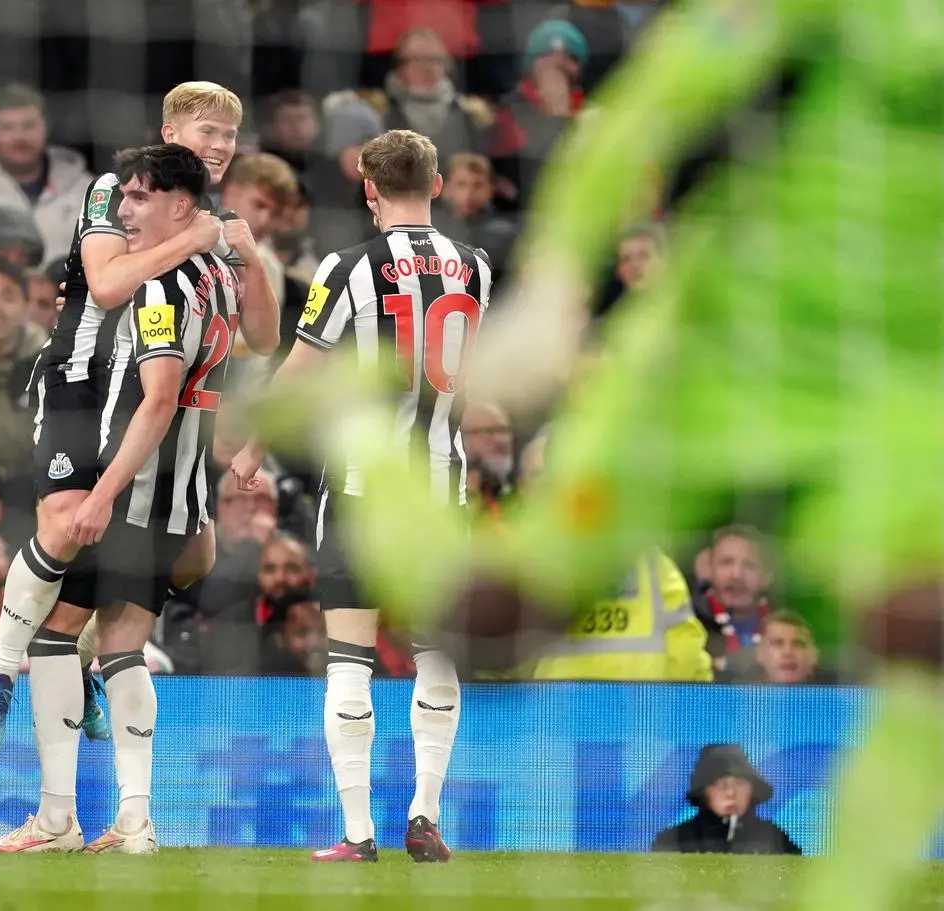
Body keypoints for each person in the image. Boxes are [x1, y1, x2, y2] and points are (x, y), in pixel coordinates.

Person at [327, 1, 944, 906]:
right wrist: (558, 285)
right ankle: (351, 427)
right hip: (699, 364)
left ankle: (850, 894)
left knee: (920, 631)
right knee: (489, 624)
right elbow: (646, 111)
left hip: (880, 400)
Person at [0, 81, 280, 749]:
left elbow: (262, 337)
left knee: (193, 552)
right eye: (208, 131)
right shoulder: (120, 187)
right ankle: (0, 671)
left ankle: (77, 657)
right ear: (172, 133)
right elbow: (109, 284)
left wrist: (245, 254)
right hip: (84, 375)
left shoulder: (212, 215)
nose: (222, 145)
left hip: (157, 392)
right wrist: (192, 239)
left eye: (230, 134)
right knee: (65, 520)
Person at [231, 129, 493, 862]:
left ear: (366, 186)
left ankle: (356, 833)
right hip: (443, 490)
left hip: (360, 486)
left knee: (350, 656)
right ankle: (427, 814)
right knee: (437, 653)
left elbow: (303, 367)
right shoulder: (475, 267)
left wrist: (252, 445)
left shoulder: (347, 268)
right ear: (438, 184)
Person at [652, 744, 801, 855]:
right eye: (719, 784)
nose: (730, 792)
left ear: (752, 790)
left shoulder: (776, 840)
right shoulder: (674, 841)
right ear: (704, 792)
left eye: (739, 783)